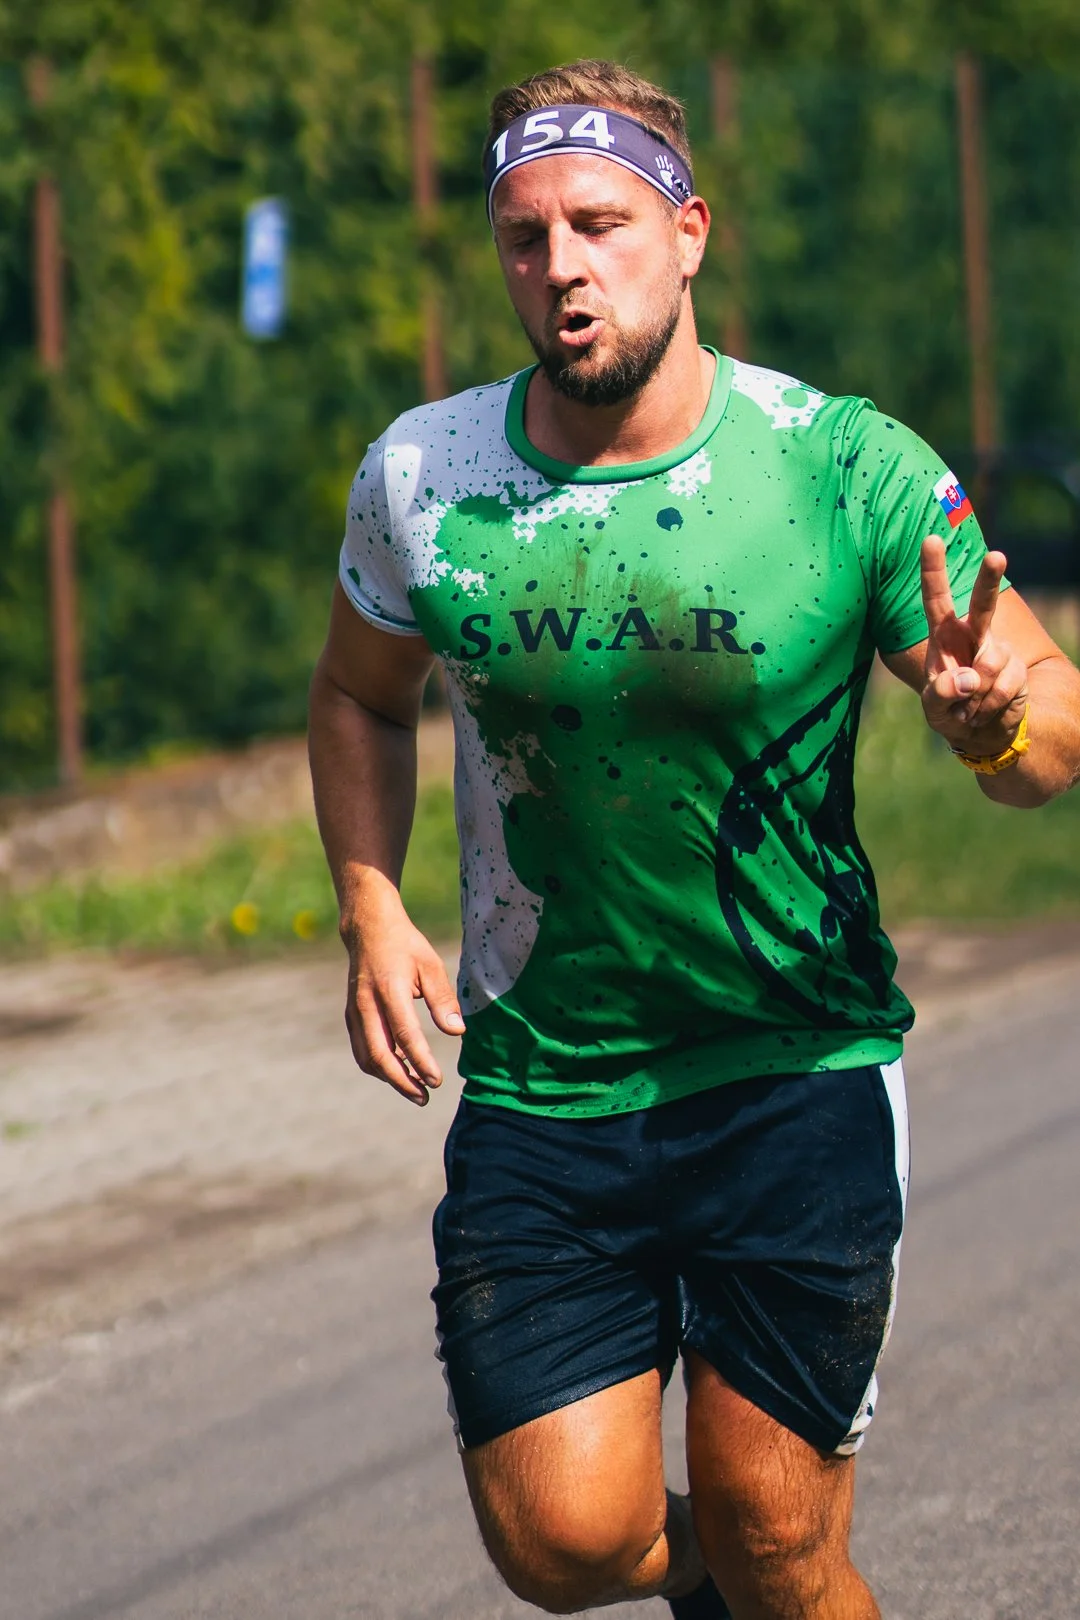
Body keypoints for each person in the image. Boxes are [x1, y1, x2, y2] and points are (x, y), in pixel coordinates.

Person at [307, 58, 1080, 1620]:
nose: (564, 271)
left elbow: (1051, 739)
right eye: (526, 239)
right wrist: (371, 908)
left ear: (689, 233)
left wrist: (989, 712)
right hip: (548, 1085)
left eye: (600, 225)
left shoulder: (839, 466)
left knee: (780, 1534)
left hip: (791, 1070)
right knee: (561, 1546)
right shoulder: (427, 477)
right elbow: (356, 692)